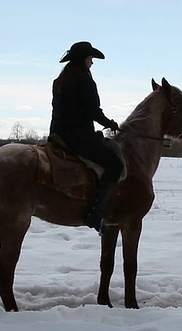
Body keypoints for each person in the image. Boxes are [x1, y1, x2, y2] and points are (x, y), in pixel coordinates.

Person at [49, 41, 124, 233]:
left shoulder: (59, 81)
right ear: (83, 59)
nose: (92, 62)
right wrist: (111, 124)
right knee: (115, 165)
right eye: (90, 58)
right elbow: (93, 111)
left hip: (58, 134)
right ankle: (95, 214)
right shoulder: (84, 80)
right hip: (78, 136)